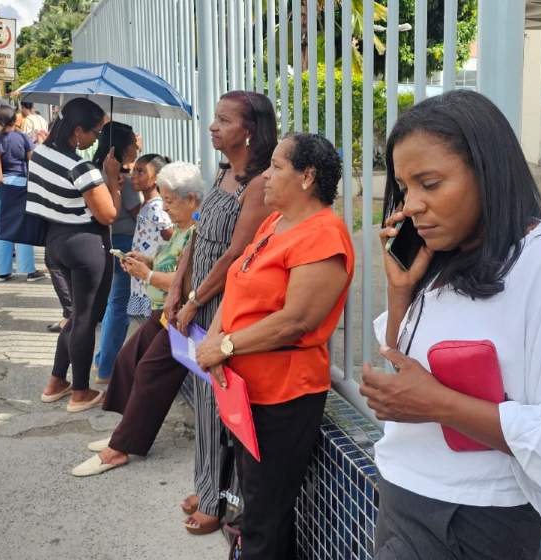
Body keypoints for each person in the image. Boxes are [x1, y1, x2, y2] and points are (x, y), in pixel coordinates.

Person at [358, 90, 541, 559]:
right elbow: (406, 366)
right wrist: (401, 290)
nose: (412, 205)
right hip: (403, 492)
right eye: (404, 187)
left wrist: (440, 404)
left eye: (431, 183)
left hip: (471, 517)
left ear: (487, 172)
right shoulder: (445, 257)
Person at [195, 133, 353, 559]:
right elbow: (238, 280)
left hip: (284, 397)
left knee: (266, 513)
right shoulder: (275, 222)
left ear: (308, 177)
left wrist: (225, 346)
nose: (265, 173)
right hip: (246, 392)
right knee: (256, 505)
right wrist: (214, 339)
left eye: (278, 166)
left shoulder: (323, 236)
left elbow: (295, 321)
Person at [170, 90, 276, 535]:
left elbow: (236, 253)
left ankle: (213, 500)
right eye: (215, 118)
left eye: (224, 120)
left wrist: (195, 300)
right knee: (206, 400)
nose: (213, 126)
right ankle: (209, 483)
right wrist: (177, 286)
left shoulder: (259, 183)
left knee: (218, 404)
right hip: (200, 295)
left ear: (248, 132)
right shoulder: (222, 172)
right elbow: (198, 238)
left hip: (224, 302)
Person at [70, 161, 204, 478]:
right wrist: (147, 260)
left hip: (180, 316)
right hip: (163, 313)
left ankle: (118, 449)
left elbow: (188, 282)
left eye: (170, 201)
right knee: (128, 359)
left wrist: (149, 274)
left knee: (149, 370)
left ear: (192, 201)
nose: (166, 208)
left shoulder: (198, 234)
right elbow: (166, 262)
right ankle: (124, 433)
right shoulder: (182, 230)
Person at [26, 97, 120, 412]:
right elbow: (108, 215)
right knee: (85, 319)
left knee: (74, 315)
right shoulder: (81, 168)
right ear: (77, 130)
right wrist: (110, 178)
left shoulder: (39, 154)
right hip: (85, 245)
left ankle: (56, 381)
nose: (95, 139)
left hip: (55, 243)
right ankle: (80, 391)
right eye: (93, 133)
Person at [89, 123, 141, 383]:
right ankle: (107, 368)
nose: (137, 146)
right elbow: (139, 215)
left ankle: (102, 361)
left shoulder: (97, 172)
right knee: (119, 305)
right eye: (133, 141)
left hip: (105, 242)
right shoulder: (124, 181)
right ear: (121, 146)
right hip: (124, 242)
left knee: (113, 303)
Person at [0, 105, 42, 282]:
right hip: (17, 184)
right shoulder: (22, 138)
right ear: (14, 119)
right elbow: (33, 160)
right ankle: (28, 271)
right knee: (21, 225)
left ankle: (2, 272)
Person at [126, 154, 175, 322]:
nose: (133, 176)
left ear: (157, 178)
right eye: (134, 171)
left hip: (150, 281)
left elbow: (171, 236)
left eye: (140, 172)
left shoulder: (156, 207)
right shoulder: (148, 204)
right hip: (143, 279)